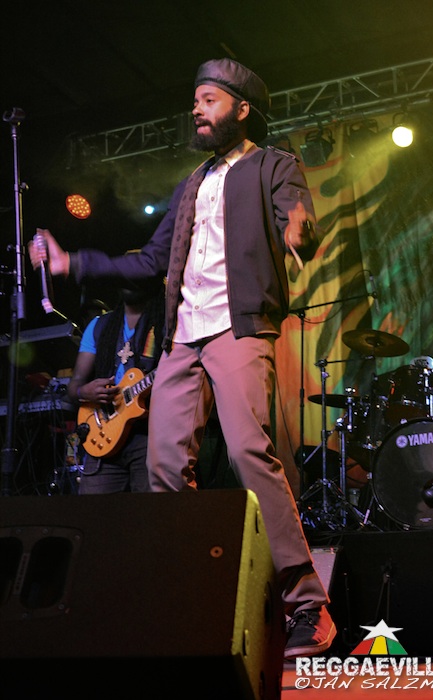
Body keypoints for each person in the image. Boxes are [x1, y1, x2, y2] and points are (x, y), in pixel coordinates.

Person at [29, 57, 336, 658]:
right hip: (180, 339)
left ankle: (307, 604)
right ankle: (197, 594)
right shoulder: (192, 183)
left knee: (248, 452)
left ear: (241, 109)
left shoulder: (273, 165)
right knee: (165, 469)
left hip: (237, 328)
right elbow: (150, 262)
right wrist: (73, 263)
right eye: (195, 100)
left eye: (208, 100)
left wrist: (301, 232)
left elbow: (296, 219)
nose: (196, 109)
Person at [68, 277, 164, 494]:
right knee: (93, 512)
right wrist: (85, 391)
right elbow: (74, 386)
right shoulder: (100, 326)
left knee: (151, 512)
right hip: (103, 434)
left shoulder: (165, 321)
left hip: (151, 436)